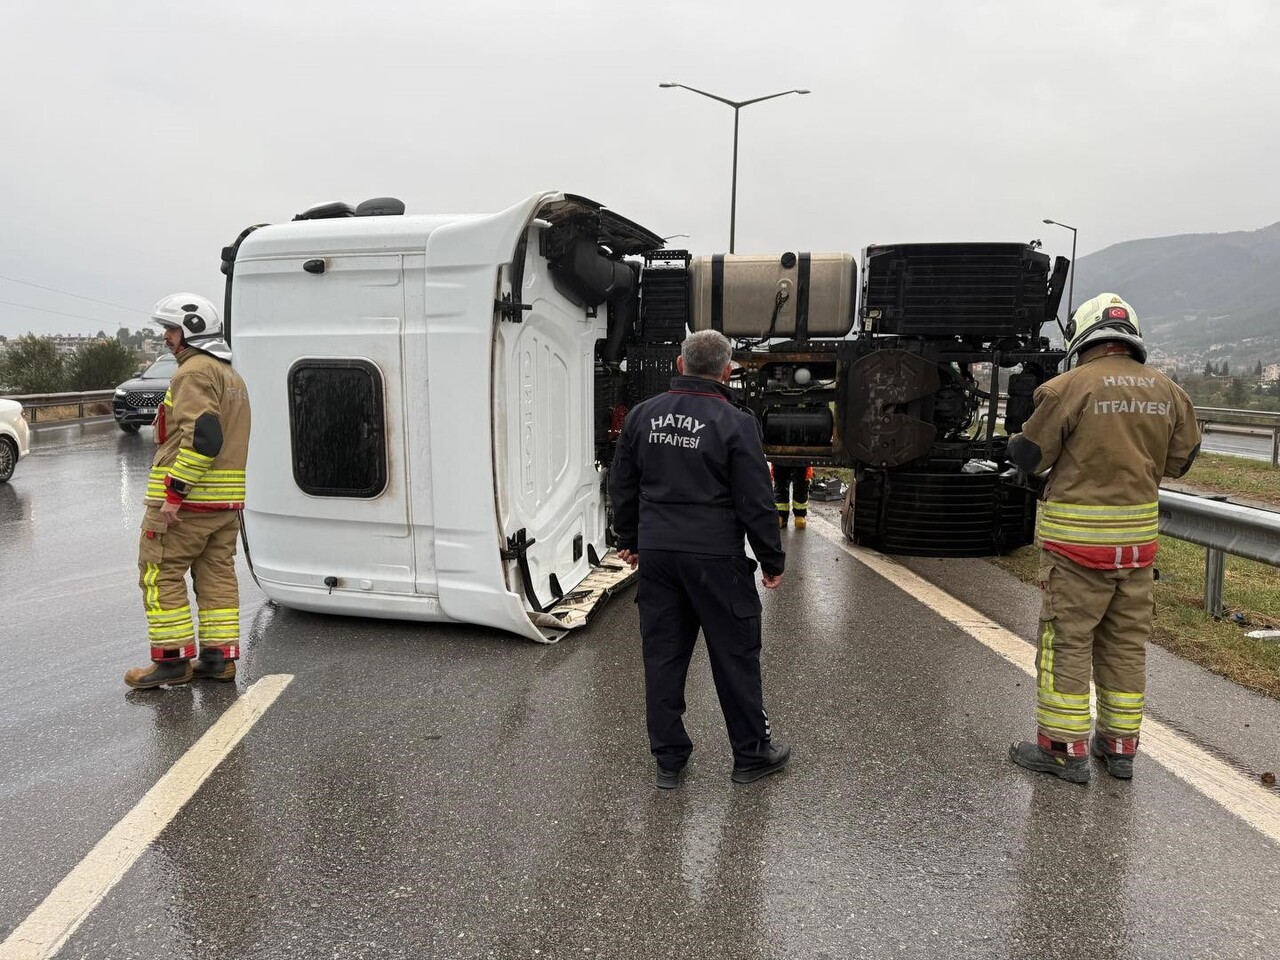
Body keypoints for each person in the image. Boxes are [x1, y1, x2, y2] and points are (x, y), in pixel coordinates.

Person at [1006, 293, 1200, 783]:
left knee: (1066, 644)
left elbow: (1030, 456)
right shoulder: (1170, 391)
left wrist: (1015, 442)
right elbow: (1180, 461)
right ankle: (1118, 748)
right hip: (1136, 552)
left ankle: (1063, 750)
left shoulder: (1067, 387)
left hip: (1077, 553)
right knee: (1125, 646)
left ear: (1083, 335)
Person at [609, 329, 789, 789]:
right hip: (716, 558)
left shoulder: (643, 416)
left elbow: (622, 482)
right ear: (727, 370)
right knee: (735, 656)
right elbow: (755, 498)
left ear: (679, 363)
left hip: (660, 558)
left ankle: (669, 760)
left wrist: (628, 537)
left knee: (664, 655)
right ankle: (751, 754)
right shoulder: (736, 421)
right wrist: (771, 558)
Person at [124, 293, 252, 690]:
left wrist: (175, 493)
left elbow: (205, 438)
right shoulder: (229, 374)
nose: (165, 336)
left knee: (159, 572)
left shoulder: (192, 373)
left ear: (190, 331)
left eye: (170, 329)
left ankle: (171, 660)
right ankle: (217, 659)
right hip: (223, 503)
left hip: (189, 503)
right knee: (216, 575)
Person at [772, 462, 813, 528]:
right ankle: (781, 514)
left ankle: (796, 515)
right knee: (782, 483)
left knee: (799, 483)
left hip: (799, 457)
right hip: (784, 456)